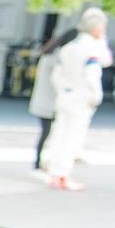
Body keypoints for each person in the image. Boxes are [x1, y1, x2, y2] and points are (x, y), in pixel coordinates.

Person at [39, 8, 112, 191]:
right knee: (72, 137)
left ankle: (54, 173)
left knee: (59, 134)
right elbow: (97, 69)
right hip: (81, 96)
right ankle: (63, 174)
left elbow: (57, 74)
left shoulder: (69, 47)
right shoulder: (92, 48)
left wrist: (62, 89)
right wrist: (95, 96)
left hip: (65, 94)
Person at [27, 28, 76, 174]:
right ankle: (43, 162)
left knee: (45, 133)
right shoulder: (57, 58)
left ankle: (39, 162)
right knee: (50, 133)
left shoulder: (49, 54)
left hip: (42, 100)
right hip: (51, 102)